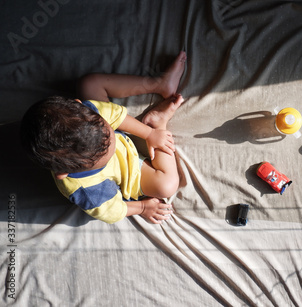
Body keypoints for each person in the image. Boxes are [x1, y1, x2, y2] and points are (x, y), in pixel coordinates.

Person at [20, 51, 187, 224]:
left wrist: (149, 134)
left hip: (101, 131)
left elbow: (117, 117)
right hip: (129, 170)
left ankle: (159, 84)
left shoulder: (87, 114)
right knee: (166, 186)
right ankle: (158, 121)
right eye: (103, 156)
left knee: (90, 83)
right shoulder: (86, 190)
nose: (112, 145)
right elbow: (114, 210)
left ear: (79, 105)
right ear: (64, 173)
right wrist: (143, 207)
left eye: (107, 134)